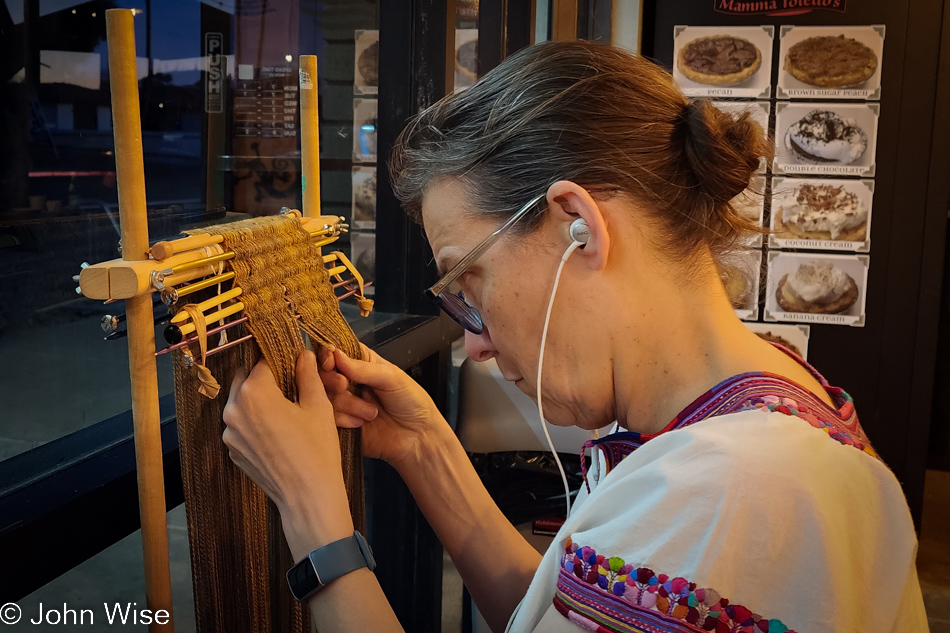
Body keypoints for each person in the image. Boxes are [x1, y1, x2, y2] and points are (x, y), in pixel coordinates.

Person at [221, 41, 928, 632]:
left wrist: (313, 516)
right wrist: (423, 445)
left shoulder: (733, 492)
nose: (478, 345)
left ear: (576, 226)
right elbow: (561, 613)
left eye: (468, 285)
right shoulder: (759, 398)